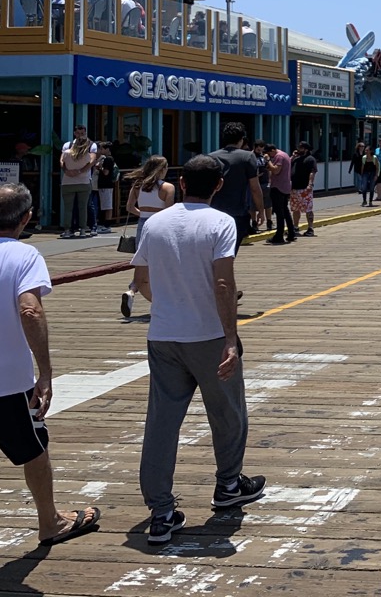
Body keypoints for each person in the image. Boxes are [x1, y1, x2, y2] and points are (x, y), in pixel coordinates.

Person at [131, 155, 266, 545]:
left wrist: (171, 304)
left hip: (163, 335)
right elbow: (223, 285)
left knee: (162, 422)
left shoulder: (154, 223)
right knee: (227, 414)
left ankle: (160, 511)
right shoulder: (220, 223)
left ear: (183, 183)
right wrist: (229, 338)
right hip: (207, 335)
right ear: (219, 185)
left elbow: (141, 280)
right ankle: (227, 485)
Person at [0, 183, 102, 547]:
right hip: (8, 383)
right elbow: (30, 309)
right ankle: (51, 521)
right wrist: (45, 371)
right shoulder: (24, 256)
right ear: (26, 218)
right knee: (34, 448)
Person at [123, 156, 176, 318]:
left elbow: (129, 207)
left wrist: (144, 214)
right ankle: (165, 303)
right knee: (162, 265)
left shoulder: (138, 185)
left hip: (143, 224)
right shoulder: (167, 188)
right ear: (161, 169)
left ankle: (132, 290)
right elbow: (169, 213)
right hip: (160, 226)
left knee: (142, 262)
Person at [207, 122, 265, 250]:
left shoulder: (211, 157)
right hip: (237, 213)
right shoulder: (248, 157)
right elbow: (255, 188)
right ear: (241, 139)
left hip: (213, 211)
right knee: (229, 252)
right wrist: (261, 211)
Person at [59, 125, 97, 239]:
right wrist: (80, 171)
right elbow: (91, 161)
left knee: (68, 207)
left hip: (68, 181)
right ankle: (83, 229)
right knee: (83, 207)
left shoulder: (66, 151)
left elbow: (61, 161)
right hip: (83, 181)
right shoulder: (87, 153)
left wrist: (67, 171)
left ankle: (67, 229)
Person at [263, 144, 296, 244]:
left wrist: (268, 161)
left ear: (273, 150)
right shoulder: (284, 154)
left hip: (278, 187)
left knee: (279, 212)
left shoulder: (279, 156)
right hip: (284, 186)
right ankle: (291, 233)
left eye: (269, 153)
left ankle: (279, 236)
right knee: (285, 210)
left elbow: (276, 171)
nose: (270, 156)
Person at [289, 141, 318, 237]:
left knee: (308, 208)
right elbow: (288, 166)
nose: (298, 149)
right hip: (294, 187)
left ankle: (310, 228)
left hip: (304, 188)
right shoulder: (296, 159)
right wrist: (293, 157)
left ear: (306, 149)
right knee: (295, 209)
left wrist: (310, 184)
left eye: (301, 148)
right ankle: (295, 226)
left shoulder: (310, 159)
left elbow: (312, 172)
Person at [93, 141, 118, 232]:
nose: (100, 150)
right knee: (105, 205)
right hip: (105, 185)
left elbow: (106, 172)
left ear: (107, 149)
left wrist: (99, 167)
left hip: (106, 185)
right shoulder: (109, 159)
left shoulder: (108, 159)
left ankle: (107, 225)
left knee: (107, 205)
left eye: (102, 148)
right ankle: (104, 224)